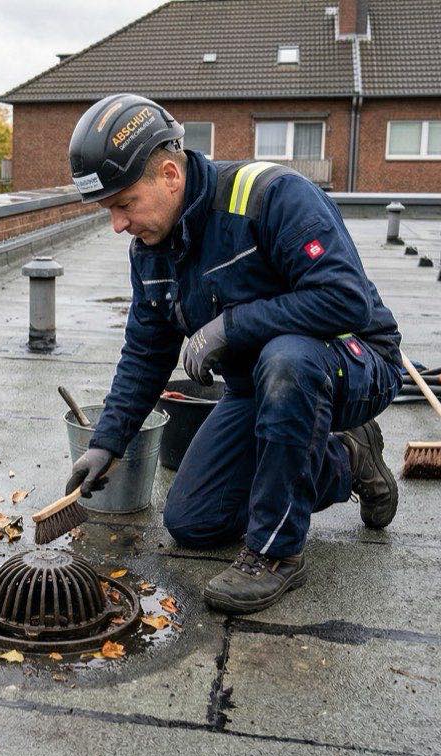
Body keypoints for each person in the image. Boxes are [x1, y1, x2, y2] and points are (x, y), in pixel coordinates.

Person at [63, 94, 403, 613]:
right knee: (193, 522)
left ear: (170, 174)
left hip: (351, 363)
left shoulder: (272, 195)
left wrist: (231, 326)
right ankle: (347, 457)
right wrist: (106, 443)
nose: (117, 224)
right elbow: (146, 351)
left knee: (288, 358)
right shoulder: (152, 250)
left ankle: (276, 555)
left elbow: (345, 299)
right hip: (257, 388)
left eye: (124, 204)